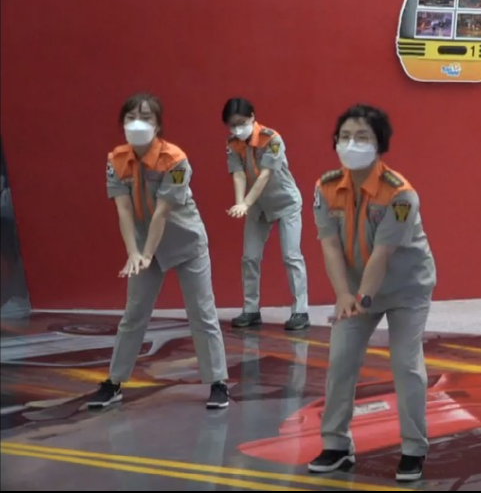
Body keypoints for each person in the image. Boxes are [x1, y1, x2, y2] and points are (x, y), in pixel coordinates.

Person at [307, 104, 434, 482]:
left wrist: (361, 299)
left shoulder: (400, 194)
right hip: (354, 289)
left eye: (362, 137)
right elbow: (330, 245)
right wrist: (343, 295)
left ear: (379, 145)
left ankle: (413, 449)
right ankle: (336, 444)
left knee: (405, 365)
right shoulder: (325, 187)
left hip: (406, 288)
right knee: (341, 359)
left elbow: (383, 253)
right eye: (345, 136)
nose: (352, 144)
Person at [89, 93, 230, 410]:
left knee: (202, 312)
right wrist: (134, 253)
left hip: (186, 243)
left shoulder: (175, 160)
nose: (137, 123)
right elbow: (124, 210)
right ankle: (114, 383)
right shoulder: (116, 161)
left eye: (146, 117)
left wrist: (145, 252)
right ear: (122, 124)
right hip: (143, 248)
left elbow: (163, 212)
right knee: (134, 314)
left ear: (158, 125)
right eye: (131, 117)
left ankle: (218, 382)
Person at [221, 98, 309, 331]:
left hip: (285, 202)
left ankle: (300, 311)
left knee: (291, 256)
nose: (237, 128)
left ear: (252, 117)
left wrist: (245, 203)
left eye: (241, 122)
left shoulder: (272, 139)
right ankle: (251, 310)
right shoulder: (232, 143)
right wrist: (240, 203)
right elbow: (239, 174)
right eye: (232, 125)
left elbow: (265, 175)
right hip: (258, 206)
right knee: (250, 258)